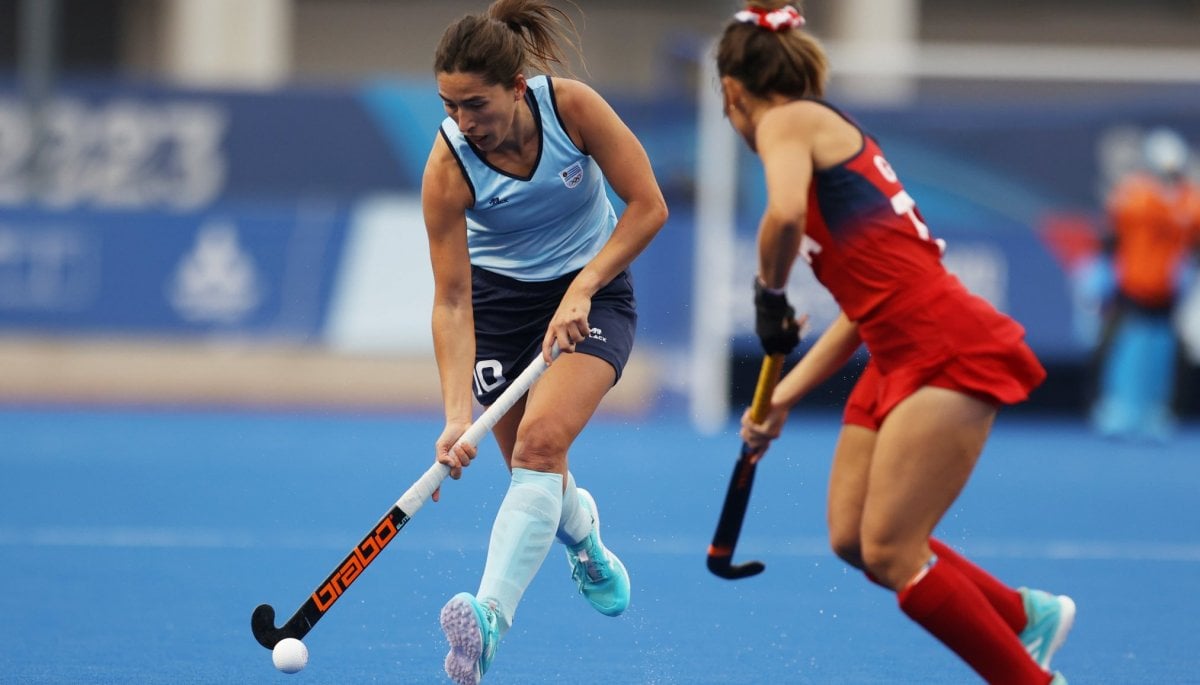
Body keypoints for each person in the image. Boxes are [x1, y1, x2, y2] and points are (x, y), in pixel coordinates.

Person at [718, 3, 1074, 683]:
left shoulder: (787, 120)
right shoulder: (823, 132)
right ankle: (1025, 617)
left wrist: (769, 295)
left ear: (733, 91)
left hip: (942, 343)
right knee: (854, 537)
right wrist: (783, 395)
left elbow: (782, 216)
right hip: (894, 352)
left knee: (890, 549)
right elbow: (859, 315)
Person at [422, 1, 668, 683]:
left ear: (516, 87)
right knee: (535, 474)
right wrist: (455, 416)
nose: (464, 122)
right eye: (450, 106)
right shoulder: (447, 167)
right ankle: (585, 541)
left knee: (539, 445)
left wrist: (584, 286)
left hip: (594, 291)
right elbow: (451, 299)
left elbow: (649, 205)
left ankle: (488, 621)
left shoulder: (573, 109)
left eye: (476, 104)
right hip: (502, 310)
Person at [1091, 127, 1200, 441]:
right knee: (1130, 345)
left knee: (1161, 348)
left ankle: (1153, 409)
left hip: (1169, 289)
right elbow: (1115, 229)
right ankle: (1119, 408)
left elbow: (1192, 233)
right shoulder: (1135, 194)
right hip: (1134, 284)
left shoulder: (1188, 199)